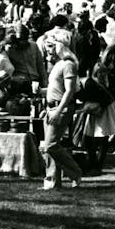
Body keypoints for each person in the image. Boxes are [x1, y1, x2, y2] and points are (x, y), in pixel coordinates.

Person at [42, 39, 83, 191]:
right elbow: (55, 89)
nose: (48, 51)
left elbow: (70, 90)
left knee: (50, 145)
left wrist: (58, 110)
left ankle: (75, 172)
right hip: (51, 108)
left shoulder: (68, 65)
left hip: (61, 108)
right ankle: (53, 181)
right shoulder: (57, 66)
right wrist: (41, 93)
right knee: (50, 146)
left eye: (51, 47)